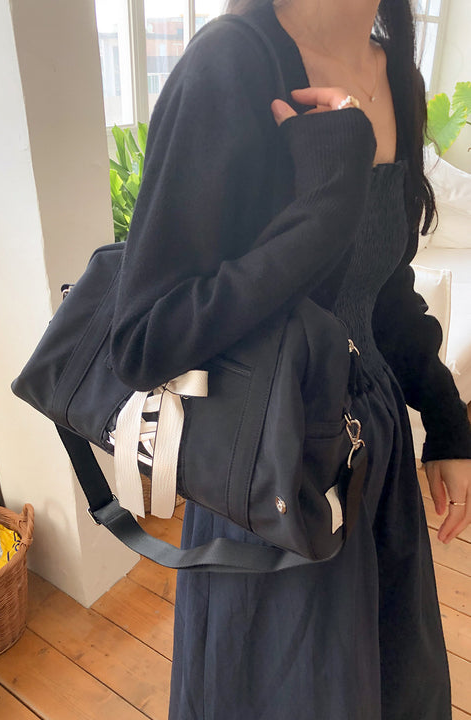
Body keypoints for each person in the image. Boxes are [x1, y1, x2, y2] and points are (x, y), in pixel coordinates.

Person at [110, 0, 471, 717]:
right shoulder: (229, 66)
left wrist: (447, 418)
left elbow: (381, 285)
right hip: (266, 471)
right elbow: (145, 339)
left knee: (384, 684)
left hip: (374, 453)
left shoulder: (396, 75)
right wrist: (322, 207)